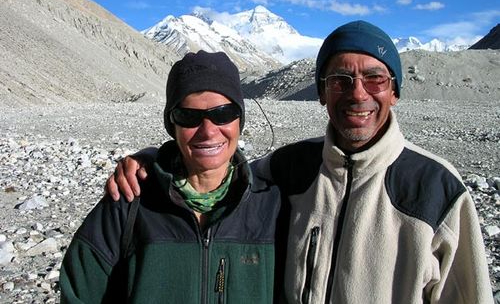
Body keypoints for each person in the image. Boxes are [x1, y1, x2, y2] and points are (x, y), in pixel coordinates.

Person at [107, 21, 494, 303]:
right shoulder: (289, 167)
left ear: (394, 91)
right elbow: (216, 167)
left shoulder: (436, 188)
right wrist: (153, 161)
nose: (357, 94)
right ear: (322, 93)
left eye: (374, 79)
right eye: (340, 80)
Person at [60, 51, 285, 303]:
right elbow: (78, 293)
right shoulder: (129, 203)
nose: (208, 131)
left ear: (239, 120)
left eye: (223, 113)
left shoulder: (272, 206)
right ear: (172, 125)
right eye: (189, 117)